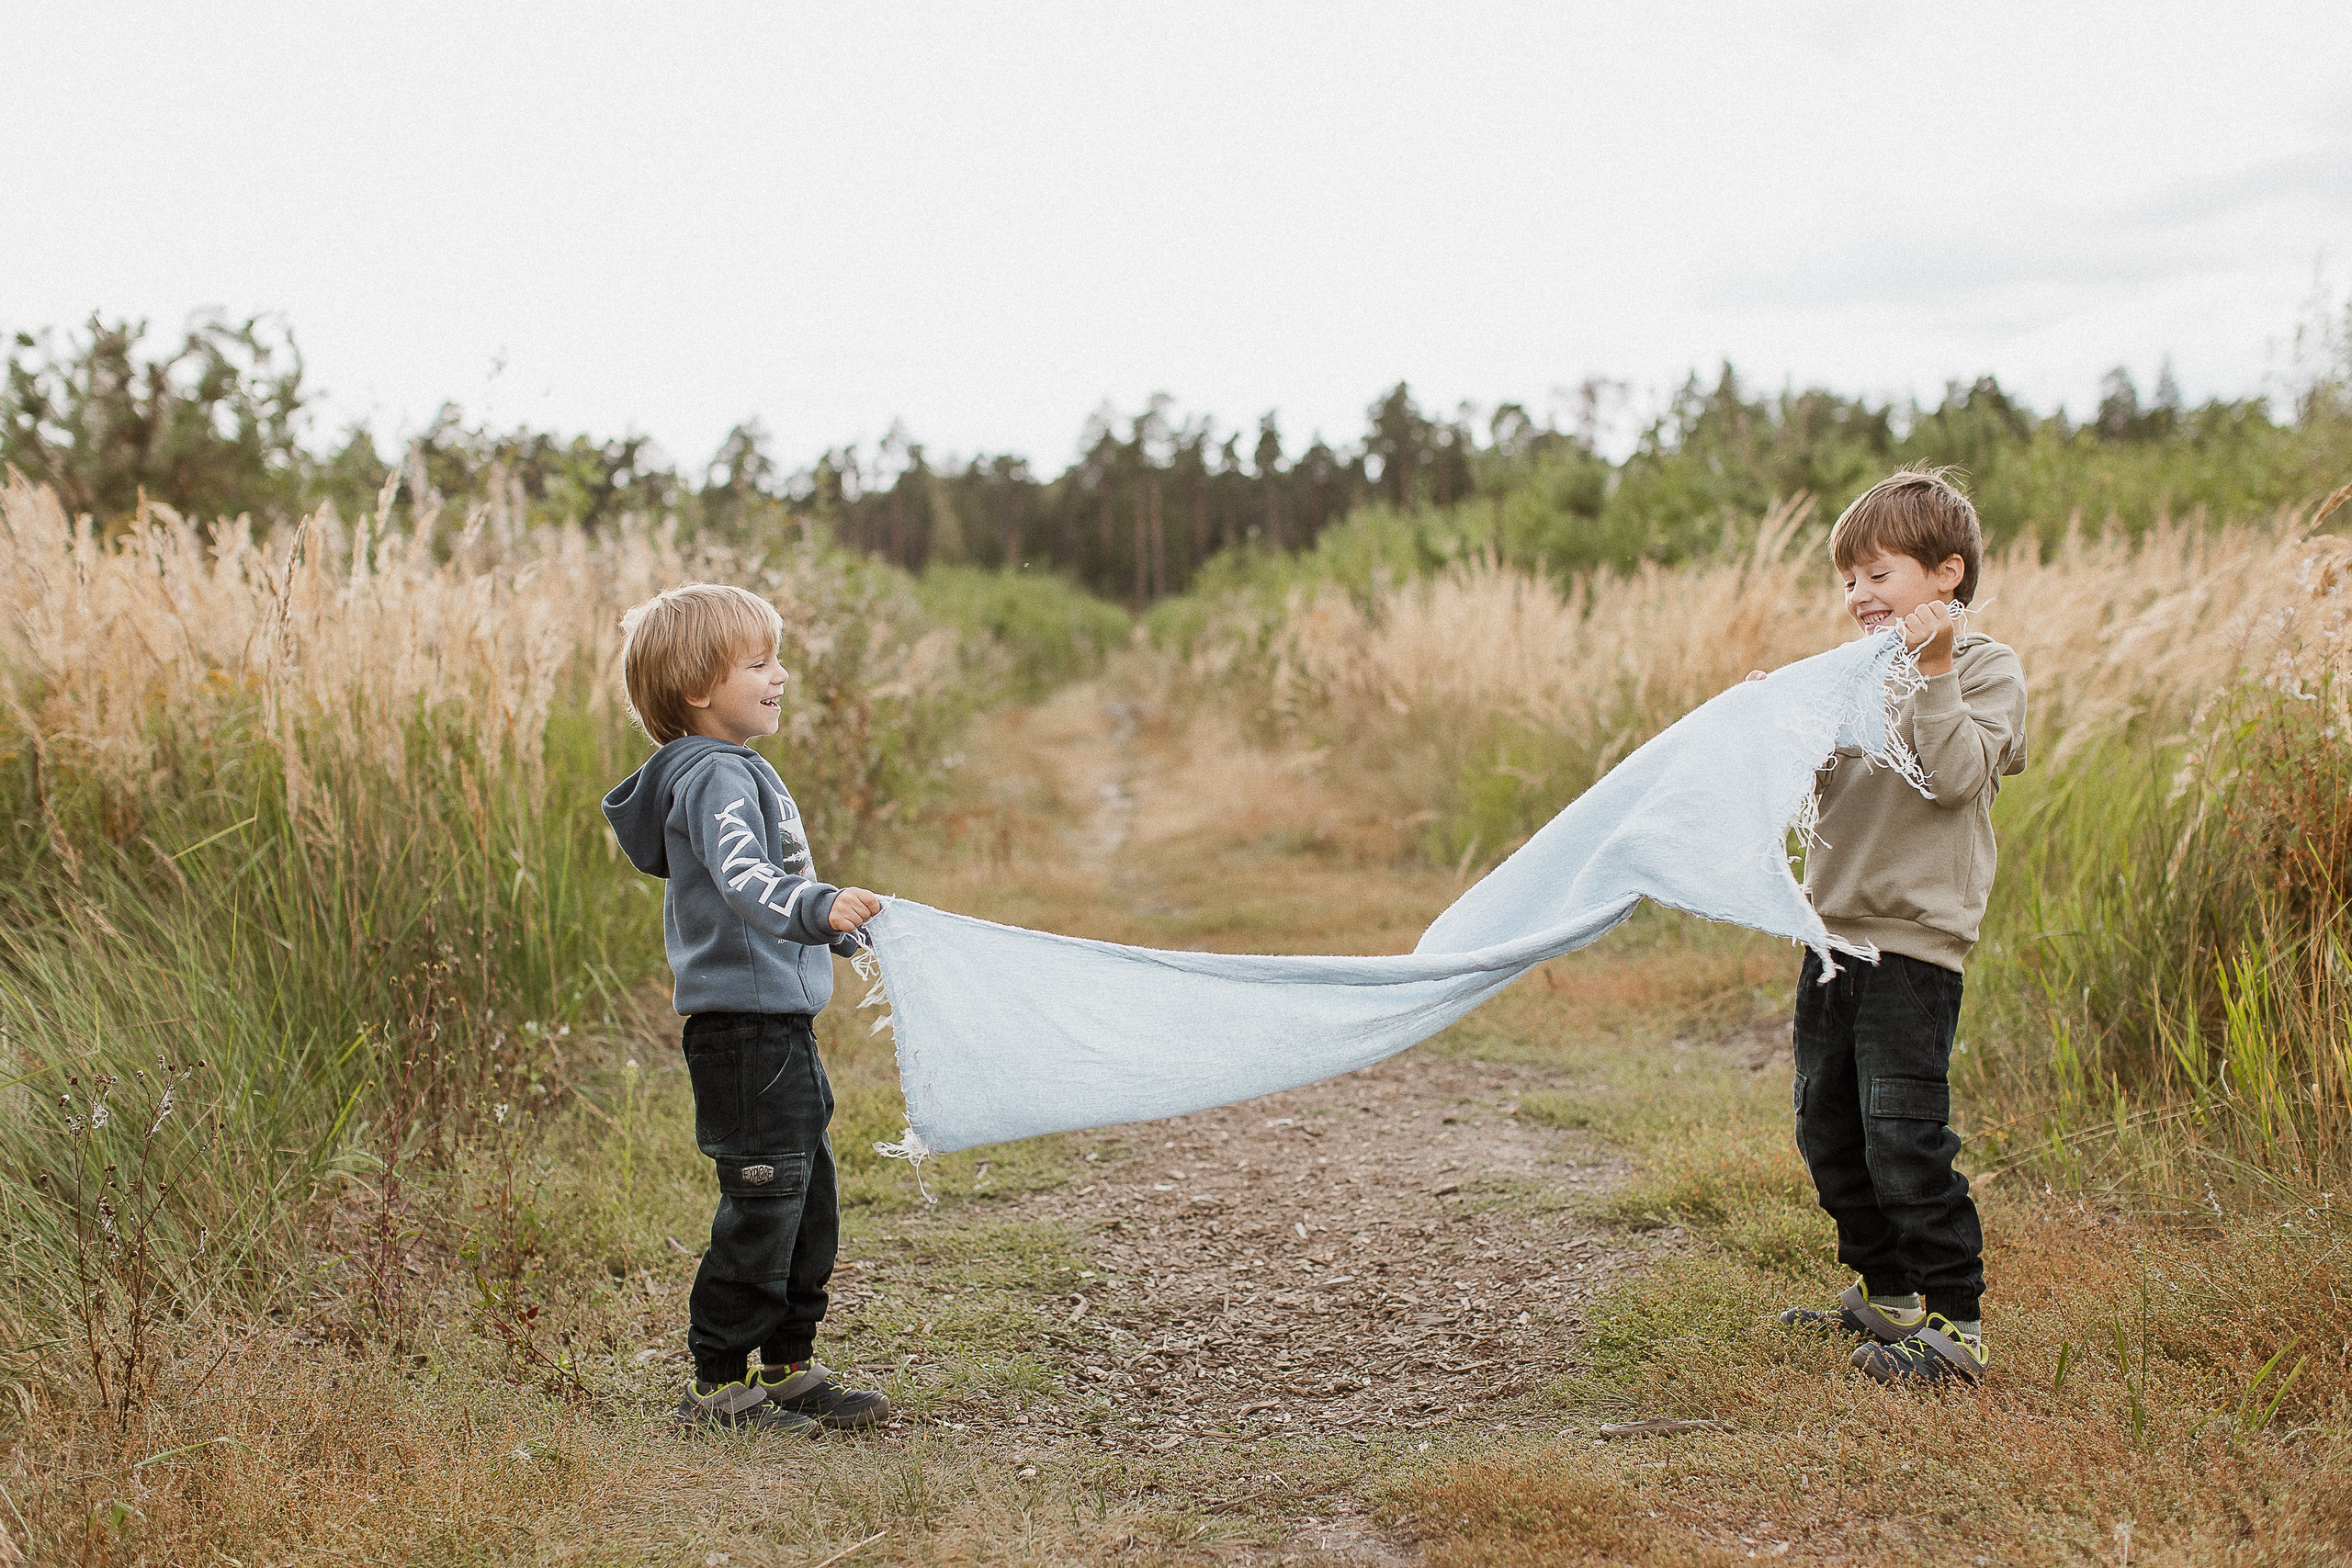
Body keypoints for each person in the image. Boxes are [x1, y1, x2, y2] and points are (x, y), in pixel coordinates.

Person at [602, 582, 893, 1435]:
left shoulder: (732, 770)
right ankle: (718, 1382)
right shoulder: (714, 777)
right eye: (760, 662)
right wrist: (815, 906)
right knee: (765, 1197)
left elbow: (766, 897)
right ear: (698, 686)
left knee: (809, 1198)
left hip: (776, 1027)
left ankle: (789, 1364)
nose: (781, 674)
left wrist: (835, 933)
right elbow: (746, 879)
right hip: (745, 1032)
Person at [1760, 468, 2027, 1385]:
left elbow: (1955, 775)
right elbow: (1811, 796)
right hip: (1832, 934)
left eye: (1878, 574)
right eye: (1848, 581)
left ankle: (1956, 1326)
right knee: (1825, 1124)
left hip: (1913, 942)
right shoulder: (1848, 678)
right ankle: (1893, 1297)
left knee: (1901, 1129)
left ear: (1946, 573)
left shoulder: (1985, 668)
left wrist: (1935, 669)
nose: (1857, 596)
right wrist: (1779, 726)